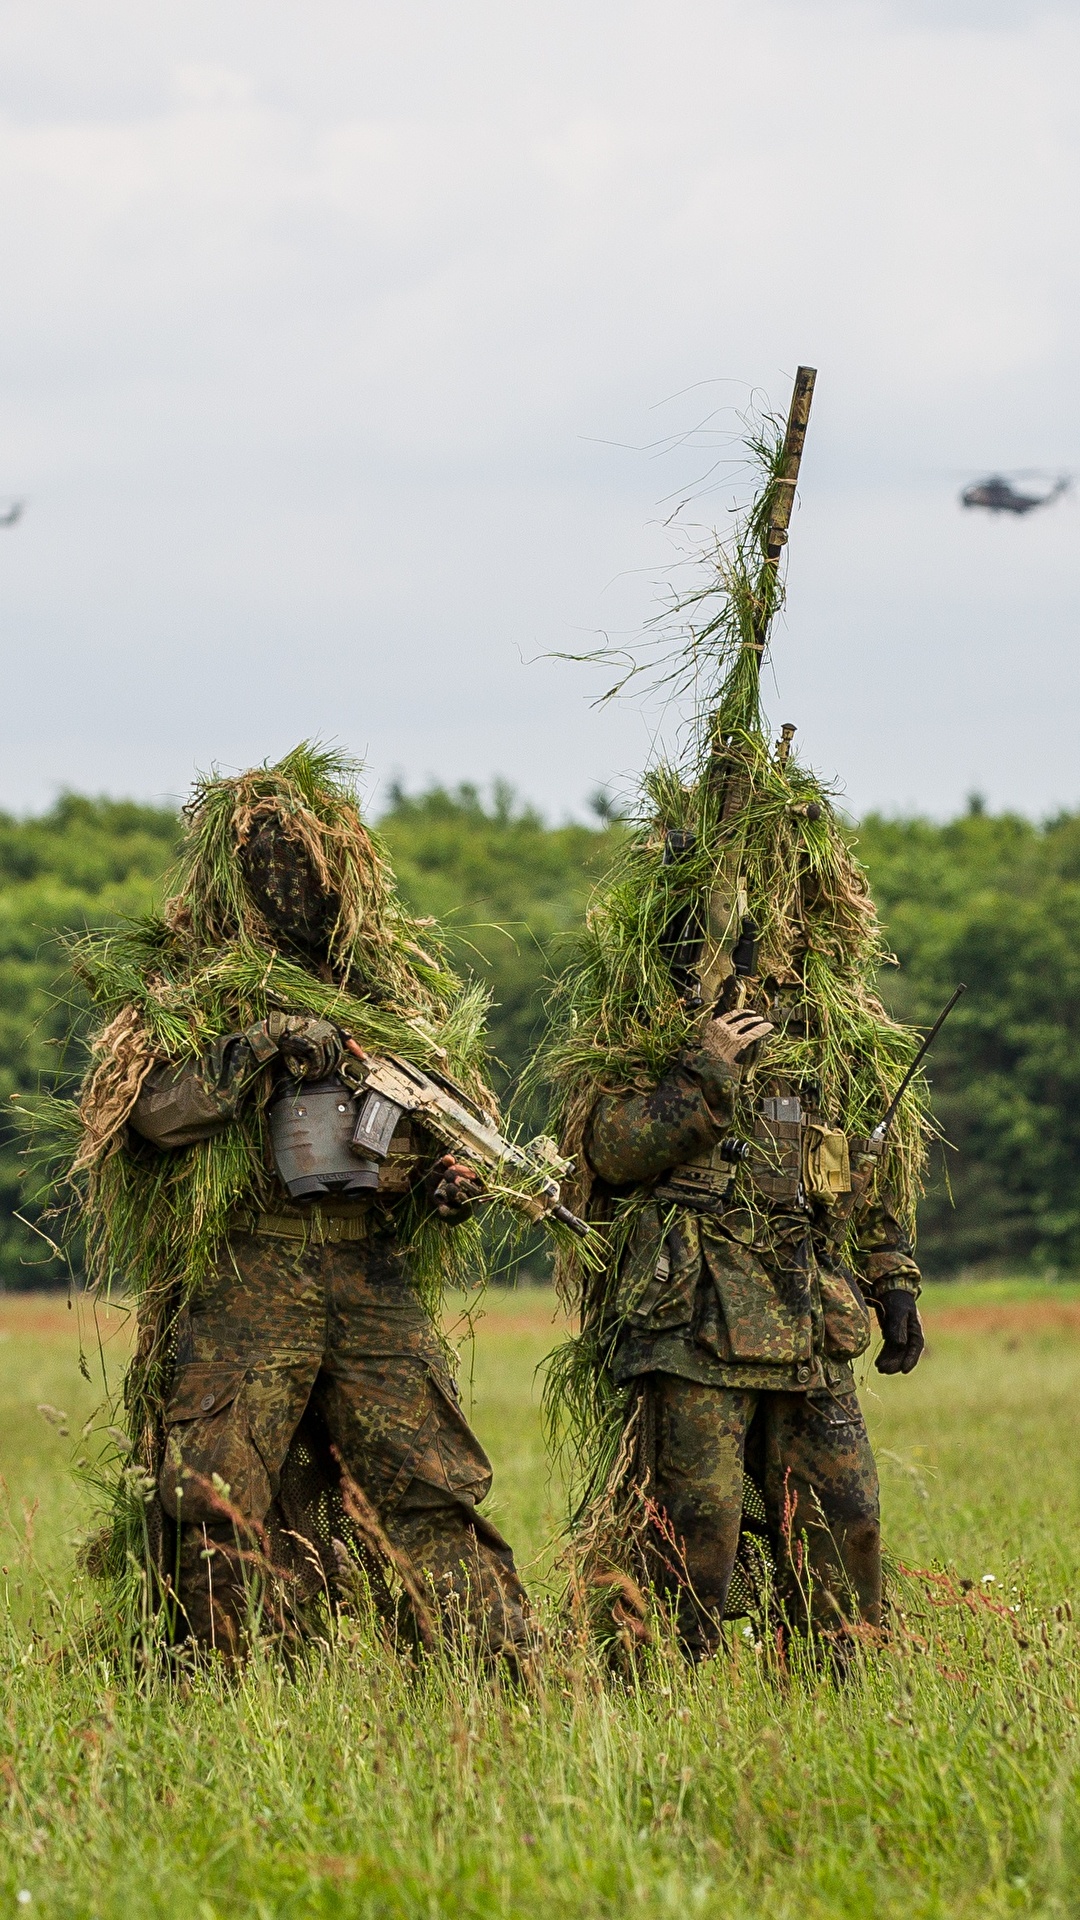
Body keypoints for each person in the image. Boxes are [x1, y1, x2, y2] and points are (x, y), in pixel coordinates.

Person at [69, 747, 531, 1665]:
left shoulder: (392, 1003)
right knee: (218, 1501)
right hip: (245, 1272)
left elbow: (434, 1137)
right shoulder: (191, 990)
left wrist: (444, 1189)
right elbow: (147, 1118)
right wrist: (258, 1050)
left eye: (314, 865)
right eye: (272, 863)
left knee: (430, 1491)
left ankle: (500, 1683)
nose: (295, 885)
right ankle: (221, 1693)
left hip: (370, 1271)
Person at [578, 984, 924, 1656]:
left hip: (811, 1313)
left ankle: (835, 1691)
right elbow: (612, 1151)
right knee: (694, 1518)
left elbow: (868, 1165)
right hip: (691, 1312)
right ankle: (656, 1690)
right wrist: (708, 1067)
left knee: (846, 1517)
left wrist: (893, 1279)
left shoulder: (832, 1030)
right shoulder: (652, 1016)